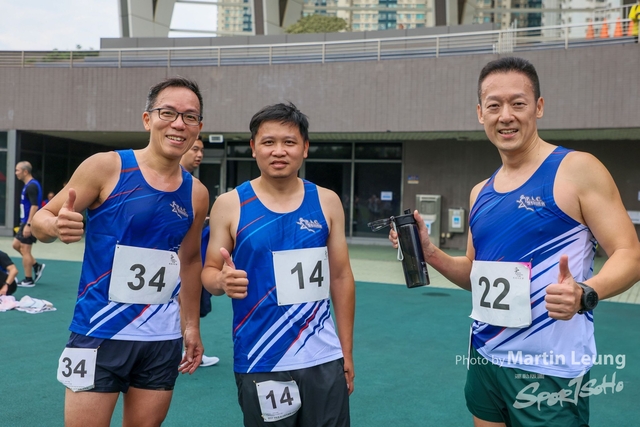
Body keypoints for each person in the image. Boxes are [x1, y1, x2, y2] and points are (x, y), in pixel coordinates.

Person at [390, 57, 640, 426]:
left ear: (539, 106)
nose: (506, 116)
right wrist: (430, 253)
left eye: (518, 103)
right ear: (480, 113)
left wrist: (586, 292)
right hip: (485, 358)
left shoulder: (577, 169)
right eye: (494, 105)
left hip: (550, 368)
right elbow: (474, 274)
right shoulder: (480, 192)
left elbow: (630, 254)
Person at [31, 76, 208, 427]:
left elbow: (189, 262)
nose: (178, 123)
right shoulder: (106, 166)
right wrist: (55, 227)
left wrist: (191, 327)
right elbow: (40, 220)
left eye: (189, 116)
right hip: (99, 330)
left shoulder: (197, 193)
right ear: (147, 119)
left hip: (161, 338)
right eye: (168, 112)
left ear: (198, 127)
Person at [202, 102, 355, 426]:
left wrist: (346, 351)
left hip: (323, 356)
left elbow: (341, 277)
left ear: (305, 148)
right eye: (268, 142)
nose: (279, 151)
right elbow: (209, 273)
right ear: (253, 147)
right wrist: (221, 282)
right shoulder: (229, 204)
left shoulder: (327, 201)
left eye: (289, 142)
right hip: (261, 357)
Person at [180, 136, 220, 368]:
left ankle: (186, 348)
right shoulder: (172, 182)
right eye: (195, 149)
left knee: (184, 299)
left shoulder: (195, 187)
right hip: (168, 256)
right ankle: (185, 350)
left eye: (201, 150)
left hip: (187, 253)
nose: (199, 155)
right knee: (179, 300)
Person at [13, 161, 45, 288]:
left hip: (29, 222)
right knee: (16, 245)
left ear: (25, 171)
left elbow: (34, 206)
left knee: (25, 250)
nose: (16, 173)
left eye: (17, 170)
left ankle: (28, 279)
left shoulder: (32, 186)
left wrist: (29, 224)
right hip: (25, 221)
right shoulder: (28, 185)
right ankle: (36, 265)